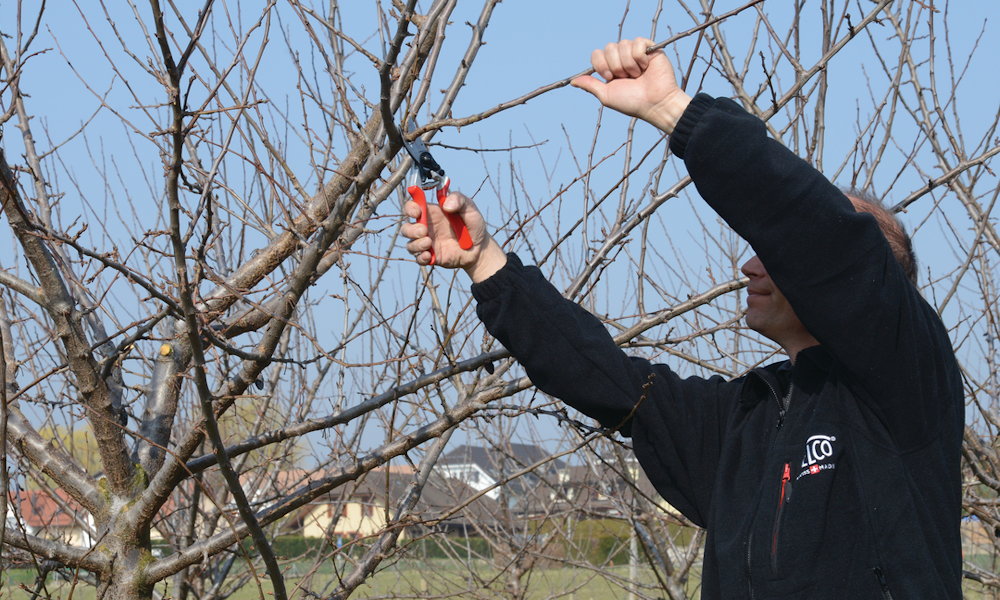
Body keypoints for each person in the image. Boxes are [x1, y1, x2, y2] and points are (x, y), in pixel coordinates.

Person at [400, 38, 963, 599]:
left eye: (776, 250)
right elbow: (607, 379)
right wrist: (485, 262)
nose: (748, 264)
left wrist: (672, 111)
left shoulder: (902, 386)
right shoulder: (743, 421)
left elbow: (815, 229)